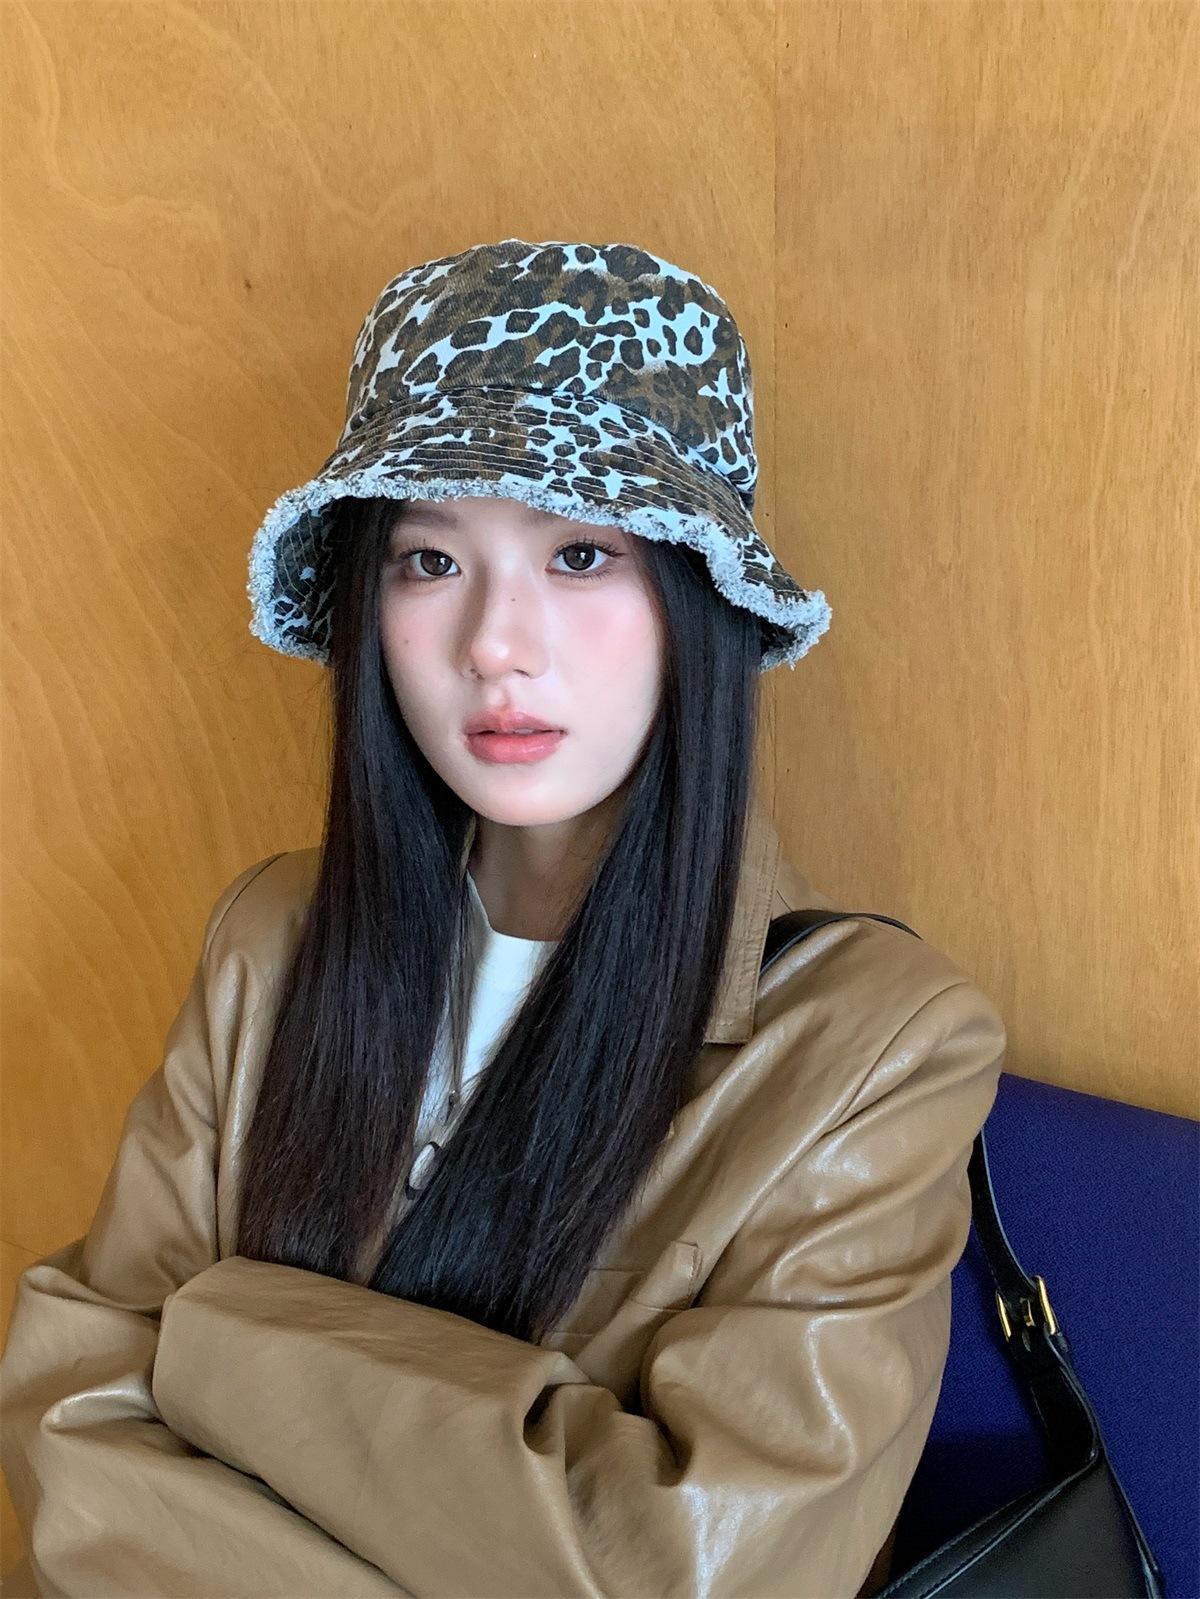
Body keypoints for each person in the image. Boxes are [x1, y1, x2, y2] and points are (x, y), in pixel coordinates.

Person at [1, 239, 1007, 1598]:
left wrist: (216, 1330)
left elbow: (677, 1574)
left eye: (580, 554)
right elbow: (70, 1417)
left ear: (697, 598)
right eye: (429, 560)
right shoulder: (273, 936)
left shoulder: (876, 1044)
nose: (493, 643)